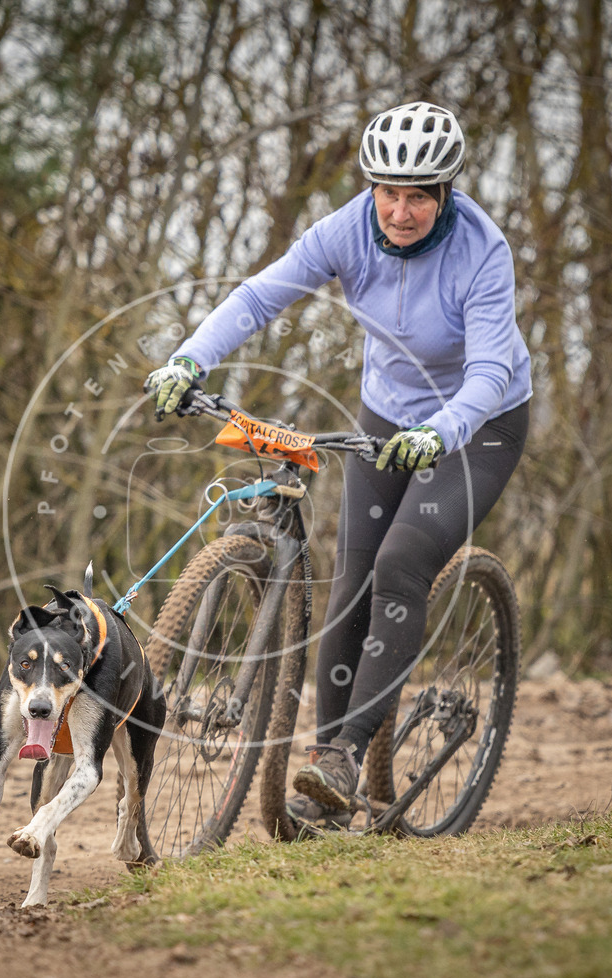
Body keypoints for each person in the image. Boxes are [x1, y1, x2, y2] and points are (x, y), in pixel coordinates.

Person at [143, 101, 532, 834]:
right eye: (387, 190)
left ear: (446, 191)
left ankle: (345, 757)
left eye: (418, 194)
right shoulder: (347, 229)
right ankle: (328, 761)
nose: (399, 208)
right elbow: (262, 294)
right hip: (386, 412)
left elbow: (487, 369)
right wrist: (189, 356)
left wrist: (441, 430)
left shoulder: (482, 250)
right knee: (351, 578)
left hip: (479, 422)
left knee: (403, 561)